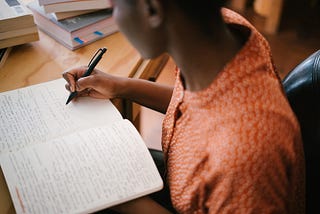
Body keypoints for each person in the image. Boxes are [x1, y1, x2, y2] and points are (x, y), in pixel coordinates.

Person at [63, 0, 305, 213]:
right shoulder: (219, 34)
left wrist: (123, 198)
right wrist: (120, 86)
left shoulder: (245, 156)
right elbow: (195, 104)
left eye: (113, 7)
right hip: (183, 178)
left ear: (152, 9)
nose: (114, 18)